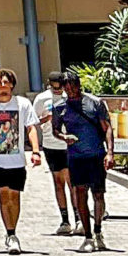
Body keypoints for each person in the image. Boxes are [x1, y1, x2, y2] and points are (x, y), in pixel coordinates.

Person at [0, 68, 40, 253]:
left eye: (6, 82)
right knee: (4, 196)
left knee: (15, 196)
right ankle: (11, 234)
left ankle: (13, 230)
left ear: (12, 84)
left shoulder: (23, 104)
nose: (3, 85)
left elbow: (31, 128)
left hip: (17, 161)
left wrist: (35, 151)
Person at [52, 70, 113, 251]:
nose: (71, 91)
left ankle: (98, 230)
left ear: (79, 85)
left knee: (98, 194)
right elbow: (55, 130)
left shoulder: (95, 103)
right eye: (67, 88)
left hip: (96, 154)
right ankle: (87, 236)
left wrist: (110, 152)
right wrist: (64, 137)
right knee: (80, 193)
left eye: (74, 87)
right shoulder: (59, 107)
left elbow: (107, 128)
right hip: (76, 156)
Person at [33, 72, 74, 235]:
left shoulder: (69, 96)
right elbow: (33, 121)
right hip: (51, 144)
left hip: (69, 144)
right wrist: (48, 118)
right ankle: (65, 220)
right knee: (58, 183)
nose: (58, 91)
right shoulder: (42, 99)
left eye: (60, 87)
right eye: (54, 87)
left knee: (73, 182)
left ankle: (79, 218)